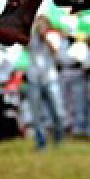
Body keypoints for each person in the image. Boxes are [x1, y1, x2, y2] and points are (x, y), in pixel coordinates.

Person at [25, 19, 65, 149]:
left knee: (58, 112)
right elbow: (24, 46)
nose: (40, 27)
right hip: (34, 80)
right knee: (37, 115)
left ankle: (59, 141)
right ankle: (41, 143)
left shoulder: (53, 36)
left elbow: (55, 52)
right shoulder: (31, 38)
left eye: (42, 24)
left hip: (50, 79)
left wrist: (45, 38)